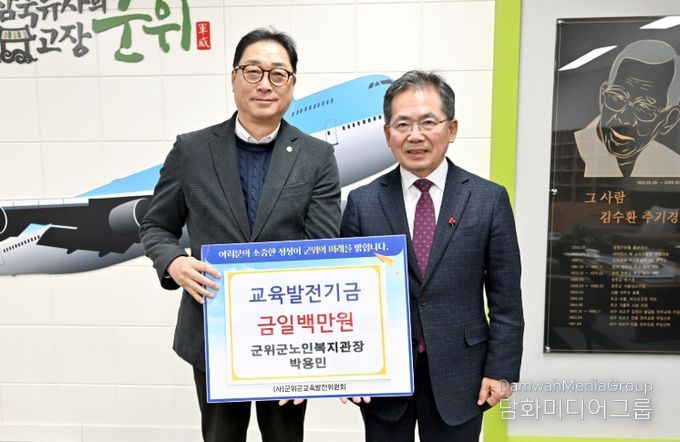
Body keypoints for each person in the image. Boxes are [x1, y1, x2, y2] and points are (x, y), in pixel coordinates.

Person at [139, 28, 341, 442]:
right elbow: (156, 225)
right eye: (253, 71)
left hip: (288, 335)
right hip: (212, 331)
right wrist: (174, 261)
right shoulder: (192, 150)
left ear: (292, 84)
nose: (265, 84)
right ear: (234, 78)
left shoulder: (317, 156)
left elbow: (324, 249)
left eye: (278, 74)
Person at [340, 71, 524, 442]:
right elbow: (348, 300)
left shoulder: (488, 199)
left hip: (464, 375)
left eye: (428, 122)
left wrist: (502, 369)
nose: (415, 135)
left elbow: (506, 299)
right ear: (387, 134)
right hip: (384, 378)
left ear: (451, 128)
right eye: (402, 124)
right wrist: (350, 370)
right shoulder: (362, 202)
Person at [576, 39, 680, 177]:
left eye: (643, 110)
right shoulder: (570, 152)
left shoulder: (672, 164)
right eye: (616, 99)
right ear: (602, 97)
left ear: (669, 120)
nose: (625, 120)